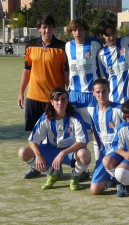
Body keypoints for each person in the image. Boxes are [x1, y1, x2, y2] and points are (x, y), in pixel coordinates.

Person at [17, 14, 69, 179]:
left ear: (54, 28)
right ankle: (35, 166)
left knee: (54, 135)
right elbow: (27, 70)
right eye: (43, 27)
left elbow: (66, 72)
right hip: (33, 97)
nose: (47, 30)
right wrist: (21, 92)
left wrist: (68, 92)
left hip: (54, 101)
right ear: (39, 29)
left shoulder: (62, 47)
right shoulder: (30, 46)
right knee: (34, 134)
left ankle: (56, 165)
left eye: (50, 27)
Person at [18, 87, 91, 191]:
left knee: (85, 154)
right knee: (23, 152)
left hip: (70, 153)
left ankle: (75, 176)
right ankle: (52, 174)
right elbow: (32, 140)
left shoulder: (75, 117)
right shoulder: (46, 117)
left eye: (63, 99)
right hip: (51, 151)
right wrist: (38, 155)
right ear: (52, 102)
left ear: (67, 100)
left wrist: (63, 153)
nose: (60, 102)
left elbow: (83, 142)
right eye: (57, 100)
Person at [65, 18, 103, 180]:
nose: (77, 32)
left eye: (80, 29)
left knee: (97, 132)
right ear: (71, 31)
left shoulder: (95, 44)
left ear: (85, 30)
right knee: (78, 135)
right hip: (74, 96)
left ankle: (100, 166)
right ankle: (83, 168)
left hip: (92, 96)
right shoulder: (67, 46)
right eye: (74, 30)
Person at [89, 78, 125, 196]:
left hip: (120, 152)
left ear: (109, 91)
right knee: (95, 190)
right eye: (98, 92)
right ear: (93, 93)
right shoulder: (92, 111)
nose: (101, 94)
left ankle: (120, 183)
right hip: (104, 154)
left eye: (104, 91)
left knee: (108, 160)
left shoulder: (119, 109)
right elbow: (95, 135)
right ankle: (111, 178)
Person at [98, 19, 129, 104]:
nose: (111, 37)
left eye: (113, 33)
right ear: (102, 36)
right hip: (114, 98)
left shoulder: (126, 41)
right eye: (107, 35)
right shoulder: (101, 54)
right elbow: (105, 77)